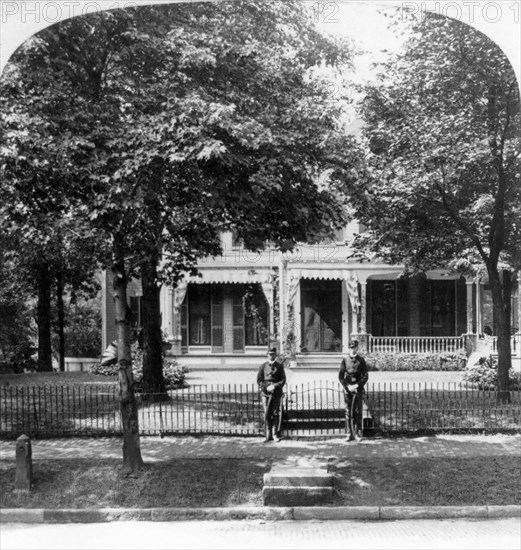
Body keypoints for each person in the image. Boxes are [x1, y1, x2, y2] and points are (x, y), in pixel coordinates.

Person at [338, 340, 368, 442]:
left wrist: (357, 385)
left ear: (357, 348)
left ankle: (358, 434)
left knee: (358, 411)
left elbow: (365, 376)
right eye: (351, 347)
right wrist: (347, 386)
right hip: (348, 391)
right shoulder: (345, 360)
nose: (353, 349)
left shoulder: (361, 360)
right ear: (349, 348)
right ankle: (349, 434)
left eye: (354, 347)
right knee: (348, 412)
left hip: (358, 389)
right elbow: (341, 376)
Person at [257, 347, 286, 442]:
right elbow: (259, 380)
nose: (271, 356)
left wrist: (274, 386)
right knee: (267, 414)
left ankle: (275, 434)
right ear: (267, 355)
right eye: (269, 354)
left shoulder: (280, 366)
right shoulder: (263, 366)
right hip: (265, 394)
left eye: (273, 354)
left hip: (276, 393)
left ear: (275, 355)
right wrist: (265, 388)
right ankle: (268, 435)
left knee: (275, 413)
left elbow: (283, 380)